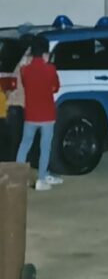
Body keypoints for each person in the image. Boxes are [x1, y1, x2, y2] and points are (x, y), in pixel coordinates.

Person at [15, 36, 62, 191]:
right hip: (47, 115)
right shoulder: (50, 69)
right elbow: (56, 87)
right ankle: (42, 178)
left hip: (30, 115)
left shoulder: (25, 70)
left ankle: (18, 178)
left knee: (24, 146)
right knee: (45, 147)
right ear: (45, 53)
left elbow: (25, 84)